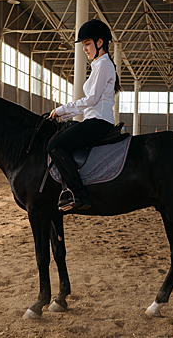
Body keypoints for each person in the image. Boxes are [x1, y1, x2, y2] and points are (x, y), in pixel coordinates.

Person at [47, 19, 122, 212]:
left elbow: (90, 100)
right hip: (94, 119)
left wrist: (61, 110)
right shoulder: (99, 65)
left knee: (54, 145)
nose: (84, 49)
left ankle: (77, 193)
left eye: (87, 44)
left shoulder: (103, 65)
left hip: (98, 121)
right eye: (83, 45)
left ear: (99, 43)